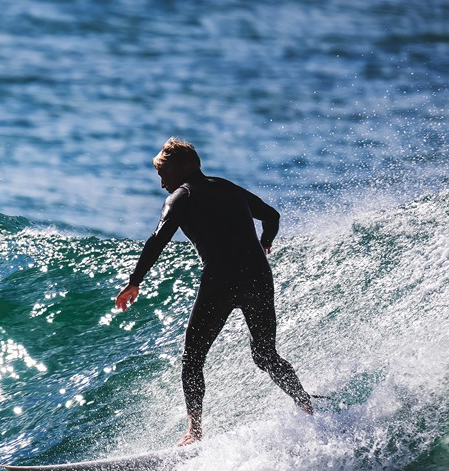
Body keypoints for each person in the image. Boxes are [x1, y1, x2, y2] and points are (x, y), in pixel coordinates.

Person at [115, 137, 312, 447]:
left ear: (180, 169)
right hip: (257, 277)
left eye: (162, 171)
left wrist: (135, 280)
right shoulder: (228, 187)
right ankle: (305, 405)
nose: (160, 179)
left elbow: (157, 240)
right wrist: (265, 244)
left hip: (221, 281)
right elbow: (271, 215)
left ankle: (195, 432)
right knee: (265, 354)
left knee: (192, 359)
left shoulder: (181, 197)